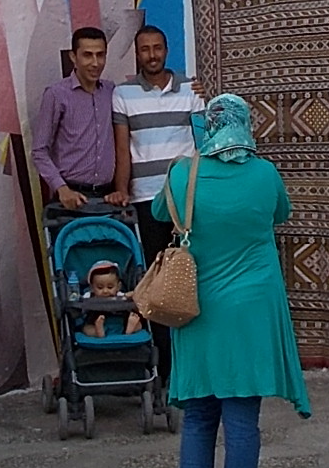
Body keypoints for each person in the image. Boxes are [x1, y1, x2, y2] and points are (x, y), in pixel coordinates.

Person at [152, 93, 308, 468]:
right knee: (241, 421)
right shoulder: (265, 174)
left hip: (197, 309)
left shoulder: (184, 174)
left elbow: (161, 213)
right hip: (250, 313)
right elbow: (283, 213)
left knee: (199, 417)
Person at [112, 24, 203, 269]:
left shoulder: (191, 90)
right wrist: (122, 191)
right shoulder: (122, 94)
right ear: (137, 54)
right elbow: (122, 149)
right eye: (145, 49)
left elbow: (202, 144)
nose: (152, 55)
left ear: (166, 50)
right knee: (156, 268)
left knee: (189, 266)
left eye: (157, 48)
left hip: (184, 195)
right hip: (146, 196)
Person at [32, 27, 124, 213]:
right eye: (87, 55)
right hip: (70, 197)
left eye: (100, 55)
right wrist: (61, 189)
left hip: (107, 199)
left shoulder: (112, 92)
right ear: (73, 57)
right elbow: (39, 150)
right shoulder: (57, 95)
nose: (95, 63)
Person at [77, 260, 141, 337]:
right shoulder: (89, 296)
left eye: (110, 287)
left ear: (118, 286)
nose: (105, 291)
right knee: (86, 328)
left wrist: (132, 295)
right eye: (100, 287)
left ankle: (129, 330)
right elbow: (79, 302)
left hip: (121, 323)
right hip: (96, 321)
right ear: (92, 288)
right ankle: (98, 332)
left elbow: (131, 296)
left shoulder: (119, 295)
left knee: (139, 325)